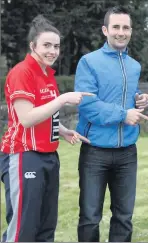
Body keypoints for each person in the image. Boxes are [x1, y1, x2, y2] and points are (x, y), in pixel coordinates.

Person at [0, 15, 91, 242]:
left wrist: (61, 130)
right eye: (47, 45)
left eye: (56, 46)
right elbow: (27, 118)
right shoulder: (22, 72)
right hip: (23, 155)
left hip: (48, 155)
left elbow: (43, 112)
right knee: (24, 227)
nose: (53, 51)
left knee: (46, 225)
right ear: (33, 46)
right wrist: (63, 100)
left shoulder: (46, 74)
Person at [74, 6, 148, 242]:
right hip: (95, 151)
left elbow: (124, 95)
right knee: (90, 217)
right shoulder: (88, 62)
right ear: (105, 30)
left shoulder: (134, 66)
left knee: (124, 217)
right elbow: (87, 105)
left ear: (131, 31)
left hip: (127, 153)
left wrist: (138, 99)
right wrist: (122, 114)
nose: (121, 32)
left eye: (126, 27)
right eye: (116, 27)